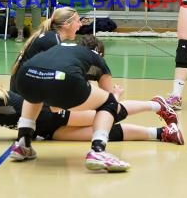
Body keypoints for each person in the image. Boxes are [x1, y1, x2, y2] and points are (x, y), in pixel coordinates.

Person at [0, 69, 183, 146]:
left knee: (108, 114)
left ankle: (154, 104)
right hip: (48, 130)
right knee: (107, 133)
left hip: (54, 113)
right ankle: (160, 134)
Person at [12, 37, 132, 172]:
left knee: (35, 91)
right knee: (108, 102)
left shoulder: (61, 49)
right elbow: (112, 104)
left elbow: (54, 106)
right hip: (64, 78)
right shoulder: (97, 59)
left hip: (25, 75)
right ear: (100, 53)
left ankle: (23, 143)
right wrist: (116, 94)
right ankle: (98, 151)